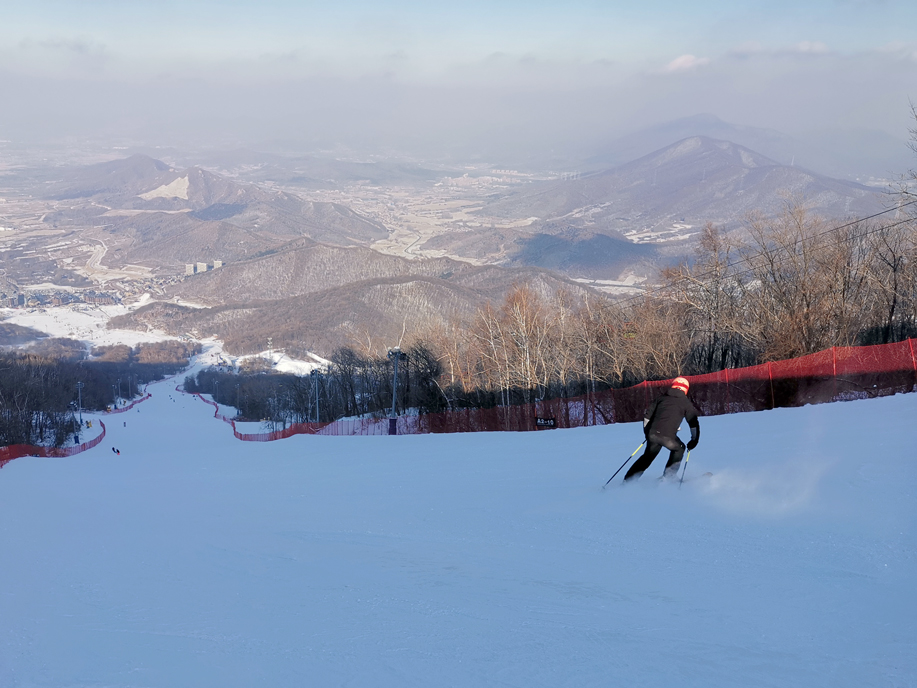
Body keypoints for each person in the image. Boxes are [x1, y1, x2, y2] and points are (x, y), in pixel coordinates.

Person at [624, 376, 700, 482]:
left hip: (652, 434)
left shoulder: (661, 398)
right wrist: (694, 440)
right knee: (679, 448)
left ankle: (629, 480)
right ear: (685, 389)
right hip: (668, 437)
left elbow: (647, 416)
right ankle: (669, 477)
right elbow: (693, 423)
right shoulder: (686, 403)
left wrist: (647, 432)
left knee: (648, 456)